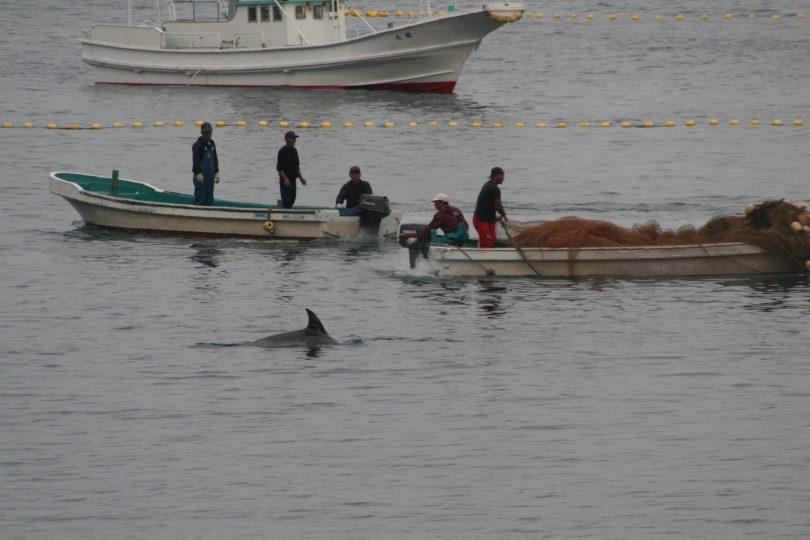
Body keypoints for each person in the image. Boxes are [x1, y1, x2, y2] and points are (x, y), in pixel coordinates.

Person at [473, 166, 507, 248]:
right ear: (495, 176)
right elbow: (498, 207)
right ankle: (483, 259)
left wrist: (496, 217)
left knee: (492, 241)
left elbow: (490, 204)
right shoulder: (493, 188)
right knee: (487, 244)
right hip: (482, 220)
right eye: (501, 175)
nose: (503, 178)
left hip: (488, 220)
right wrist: (504, 215)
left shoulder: (489, 185)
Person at [276, 131, 307, 208]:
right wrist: (286, 179)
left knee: (292, 199)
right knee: (286, 200)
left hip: (293, 179)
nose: (294, 140)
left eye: (294, 138)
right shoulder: (282, 151)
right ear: (287, 139)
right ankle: (284, 213)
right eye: (292, 138)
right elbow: (279, 168)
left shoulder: (294, 150)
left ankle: (288, 211)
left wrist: (301, 178)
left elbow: (297, 167)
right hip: (285, 179)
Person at [191, 122, 220, 205]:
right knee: (200, 197)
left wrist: (216, 172)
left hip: (210, 176)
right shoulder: (197, 145)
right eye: (206, 132)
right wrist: (198, 173)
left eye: (210, 132)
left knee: (209, 198)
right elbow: (195, 160)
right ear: (202, 133)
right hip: (201, 176)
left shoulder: (212, 144)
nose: (208, 134)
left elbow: (215, 158)